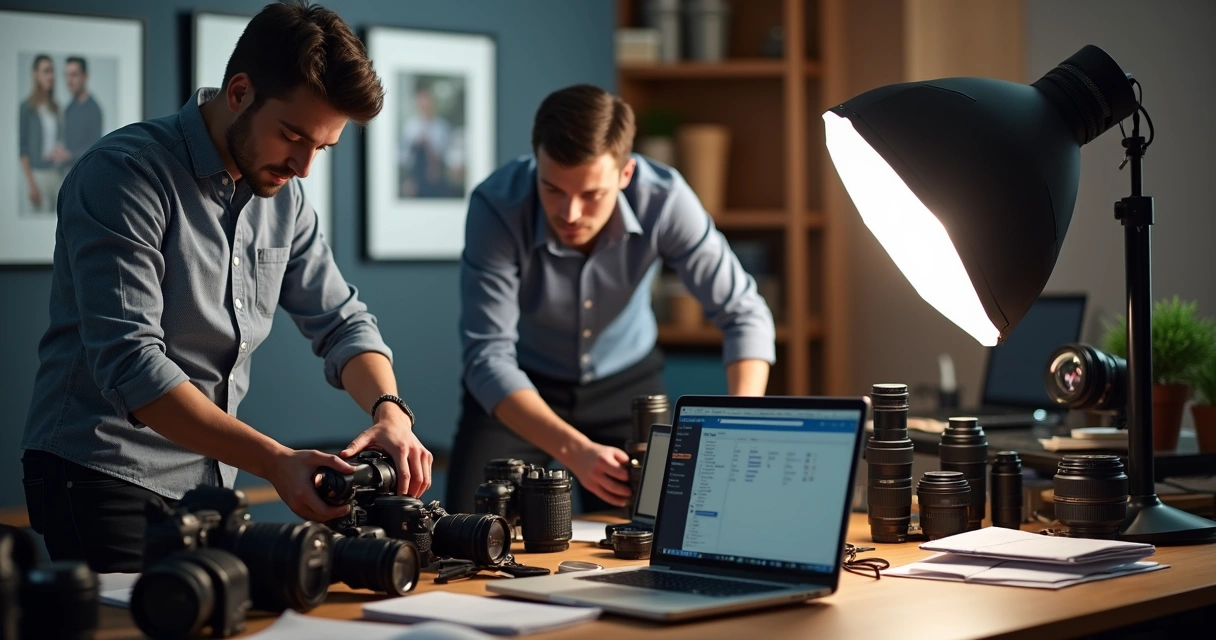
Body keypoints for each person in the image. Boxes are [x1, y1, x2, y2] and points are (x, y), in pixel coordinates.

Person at [21, 0, 432, 573]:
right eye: (292, 135)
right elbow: (133, 366)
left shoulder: (283, 196)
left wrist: (391, 413)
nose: (305, 166)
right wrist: (275, 461)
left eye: (322, 147)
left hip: (208, 479)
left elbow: (342, 321)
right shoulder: (123, 174)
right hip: (101, 473)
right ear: (238, 91)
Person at [447, 84, 776, 513]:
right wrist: (575, 450)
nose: (570, 214)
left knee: (665, 531)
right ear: (537, 166)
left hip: (628, 385)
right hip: (521, 390)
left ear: (626, 175)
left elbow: (745, 314)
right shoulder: (496, 205)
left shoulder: (666, 200)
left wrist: (737, 426)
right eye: (553, 190)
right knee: (466, 534)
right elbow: (487, 358)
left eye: (591, 194)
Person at [17, 54, 64, 214]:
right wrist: (31, 183)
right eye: (46, 71)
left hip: (56, 174)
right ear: (35, 74)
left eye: (52, 71)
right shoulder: (26, 108)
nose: (50, 76)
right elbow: (22, 147)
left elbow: (57, 139)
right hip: (38, 175)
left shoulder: (56, 107)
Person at [398, 81, 457, 198]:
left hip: (438, 179)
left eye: (427, 102)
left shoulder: (442, 127)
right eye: (421, 103)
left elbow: (449, 155)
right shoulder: (410, 126)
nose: (425, 106)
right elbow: (403, 155)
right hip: (416, 180)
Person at [59, 56, 104, 171]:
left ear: (85, 76)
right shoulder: (69, 108)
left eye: (74, 75)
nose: (69, 80)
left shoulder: (94, 109)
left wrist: (69, 155)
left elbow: (94, 147)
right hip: (68, 173)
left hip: (85, 172)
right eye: (66, 75)